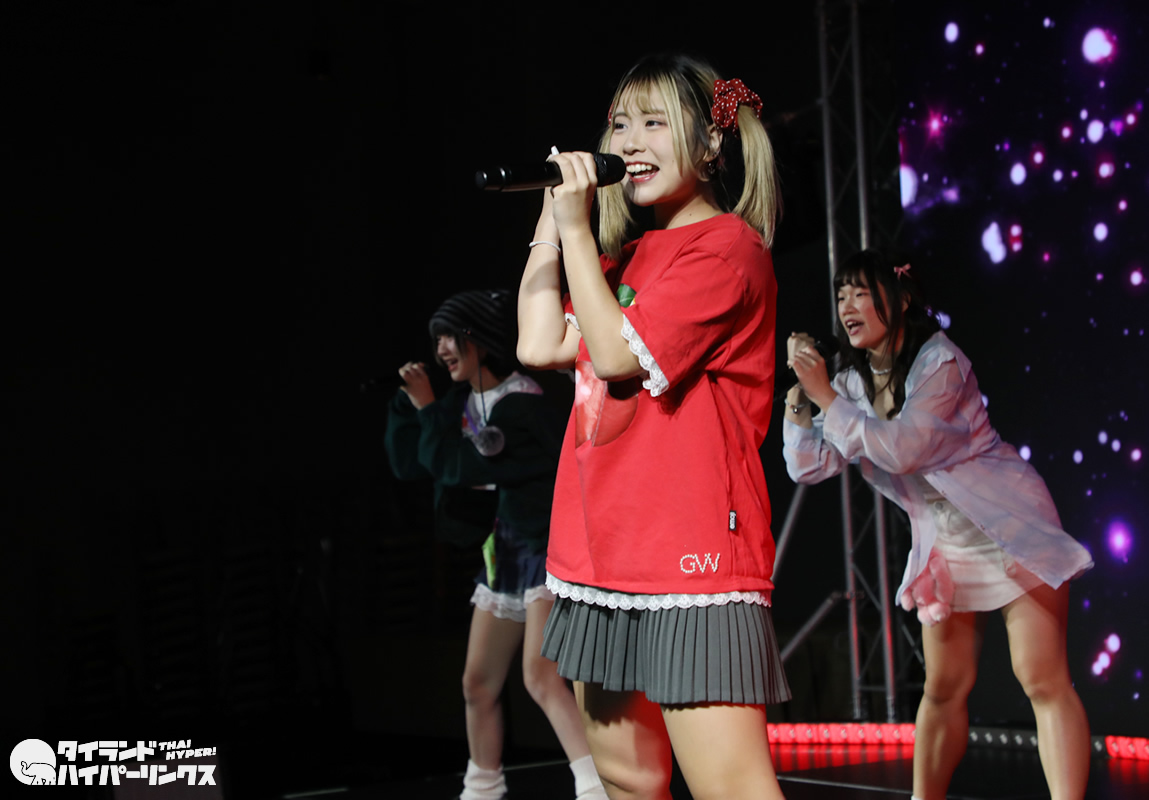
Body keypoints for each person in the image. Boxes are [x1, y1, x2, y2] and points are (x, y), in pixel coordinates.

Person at [516, 53, 790, 800]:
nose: (629, 141)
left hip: (692, 561)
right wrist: (551, 222)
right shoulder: (628, 257)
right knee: (626, 778)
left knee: (732, 789)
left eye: (653, 122)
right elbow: (538, 344)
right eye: (618, 124)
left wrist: (577, 232)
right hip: (602, 556)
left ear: (711, 143)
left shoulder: (729, 248)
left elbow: (614, 356)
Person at [782, 250, 1094, 800]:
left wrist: (825, 394)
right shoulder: (851, 384)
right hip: (945, 540)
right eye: (841, 295)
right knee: (944, 686)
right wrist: (802, 404)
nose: (847, 306)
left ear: (901, 299)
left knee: (1040, 676)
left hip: (1007, 524)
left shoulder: (940, 362)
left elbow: (905, 449)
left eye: (861, 293)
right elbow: (810, 466)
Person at [384, 288, 604, 800]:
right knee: (477, 682)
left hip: (546, 550)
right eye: (437, 339)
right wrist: (409, 406)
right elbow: (411, 464)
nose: (442, 349)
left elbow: (458, 466)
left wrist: (429, 410)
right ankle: (482, 785)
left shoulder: (522, 404)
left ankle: (595, 784)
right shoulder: (465, 403)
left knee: (540, 676)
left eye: (450, 337)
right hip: (503, 555)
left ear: (479, 339)